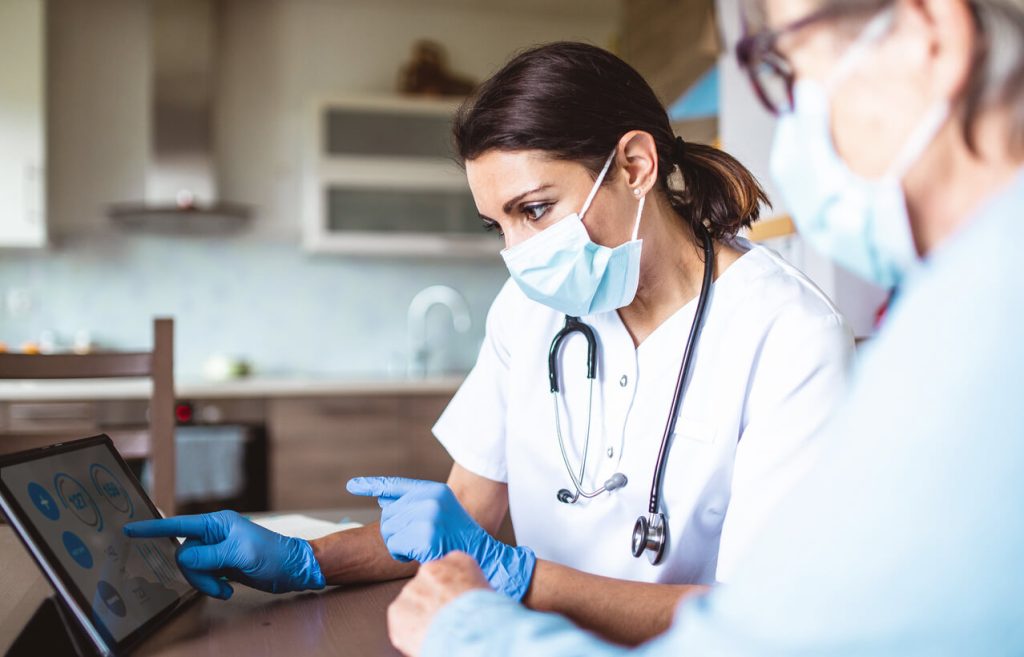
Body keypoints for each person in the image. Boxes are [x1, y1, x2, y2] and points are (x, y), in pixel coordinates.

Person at [123, 42, 854, 645]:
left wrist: (517, 576)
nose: (519, 251)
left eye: (535, 209)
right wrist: (304, 559)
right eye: (497, 224)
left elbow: (764, 623)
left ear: (636, 165)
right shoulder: (528, 310)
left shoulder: (788, 336)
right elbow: (469, 518)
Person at [383, 1, 1024, 656]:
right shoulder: (958, 307)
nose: (793, 125)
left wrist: (483, 629)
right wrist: (306, 558)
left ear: (931, 36)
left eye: (788, 67)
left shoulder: (944, 332)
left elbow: (771, 637)